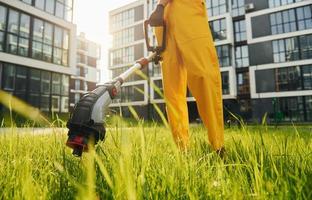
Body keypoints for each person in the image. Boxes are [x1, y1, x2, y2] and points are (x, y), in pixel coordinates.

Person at [149, 0, 225, 156]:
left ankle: (218, 145)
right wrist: (160, 7)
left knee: (204, 76)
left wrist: (160, 5)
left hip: (188, 12)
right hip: (164, 21)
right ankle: (182, 148)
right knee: (173, 90)